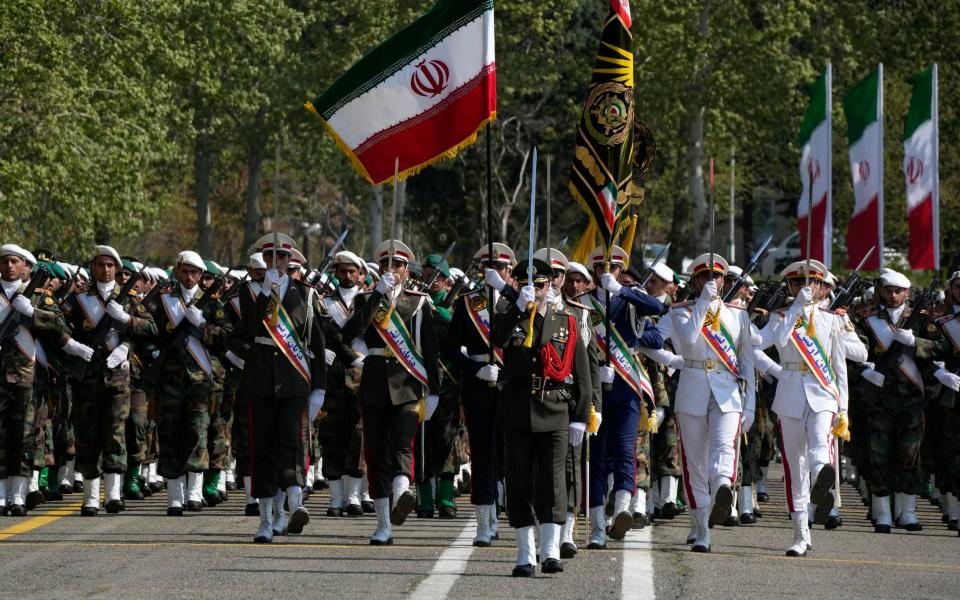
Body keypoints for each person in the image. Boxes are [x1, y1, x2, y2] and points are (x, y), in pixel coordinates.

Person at [491, 258, 592, 577]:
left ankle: (550, 550)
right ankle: (524, 554)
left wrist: (580, 415)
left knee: (553, 481)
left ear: (551, 285)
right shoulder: (512, 317)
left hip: (555, 406)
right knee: (519, 481)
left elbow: (582, 373)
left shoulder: (568, 320)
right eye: (527, 285)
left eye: (540, 284)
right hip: (519, 407)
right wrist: (519, 310)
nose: (534, 290)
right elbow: (497, 341)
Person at [756, 260, 860, 556]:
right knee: (794, 466)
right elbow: (771, 342)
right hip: (790, 392)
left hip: (823, 393)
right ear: (790, 287)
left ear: (820, 286)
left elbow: (839, 367)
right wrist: (793, 312)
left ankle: (822, 479)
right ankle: (801, 534)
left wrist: (844, 409)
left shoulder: (833, 319)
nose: (805, 288)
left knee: (819, 441)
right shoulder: (780, 318)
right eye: (797, 283)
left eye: (811, 283)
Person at [340, 239, 440, 545]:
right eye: (385, 264)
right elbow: (350, 332)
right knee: (375, 454)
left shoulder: (419, 302)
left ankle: (401, 492)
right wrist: (377, 296)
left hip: (407, 383)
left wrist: (434, 389)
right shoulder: (365, 299)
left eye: (396, 265)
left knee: (401, 443)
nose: (390, 269)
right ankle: (384, 524)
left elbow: (430, 348)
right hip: (373, 382)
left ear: (406, 270)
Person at [232, 233, 327, 543]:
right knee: (263, 449)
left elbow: (316, 344)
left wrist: (319, 389)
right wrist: (266, 291)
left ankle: (292, 506)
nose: (277, 262)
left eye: (282, 257)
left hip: (294, 380)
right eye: (271, 257)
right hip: (260, 380)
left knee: (292, 444)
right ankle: (265, 519)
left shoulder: (306, 294)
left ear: (291, 261)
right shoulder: (249, 291)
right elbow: (249, 326)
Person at [668, 253, 755, 553]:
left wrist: (752, 404)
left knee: (724, 447)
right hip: (692, 388)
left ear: (724, 279)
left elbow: (747, 363)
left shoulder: (738, 314)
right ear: (695, 281)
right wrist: (703, 303)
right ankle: (701, 527)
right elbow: (689, 341)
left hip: (727, 390)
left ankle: (722, 491)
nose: (712, 282)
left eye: (716, 277)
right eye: (704, 277)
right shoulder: (682, 311)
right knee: (694, 465)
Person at [61, 245, 156, 516]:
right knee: (87, 436)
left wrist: (127, 329)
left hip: (117, 379)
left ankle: (113, 494)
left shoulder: (130, 298)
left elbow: (152, 327)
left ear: (117, 269)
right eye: (100, 264)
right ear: (93, 267)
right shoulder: (79, 299)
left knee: (116, 435)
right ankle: (91, 497)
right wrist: (72, 345)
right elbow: (57, 323)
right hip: (87, 377)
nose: (105, 269)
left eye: (110, 265)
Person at [852, 269, 945, 533]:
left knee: (910, 456)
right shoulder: (867, 321)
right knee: (879, 455)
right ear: (880, 290)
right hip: (879, 400)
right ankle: (882, 513)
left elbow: (941, 348)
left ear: (907, 293)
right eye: (888, 290)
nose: (892, 296)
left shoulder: (922, 321)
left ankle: (908, 513)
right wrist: (867, 372)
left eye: (898, 291)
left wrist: (917, 343)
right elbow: (853, 352)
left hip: (911, 400)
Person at [584, 245, 663, 548]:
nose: (609, 273)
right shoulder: (585, 303)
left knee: (626, 451)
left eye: (615, 268)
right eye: (603, 268)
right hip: (597, 385)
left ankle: (620, 511)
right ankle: (596, 527)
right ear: (595, 271)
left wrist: (620, 290)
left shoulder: (631, 302)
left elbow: (657, 308)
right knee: (598, 456)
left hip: (626, 386)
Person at [445, 242, 517, 546]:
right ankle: (485, 524)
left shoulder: (519, 301)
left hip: (513, 387)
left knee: (513, 454)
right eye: (488, 268)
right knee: (483, 455)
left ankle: (518, 517)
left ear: (509, 271)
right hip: (479, 387)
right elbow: (450, 349)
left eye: (499, 267)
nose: (493, 272)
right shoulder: (466, 304)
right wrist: (475, 370)